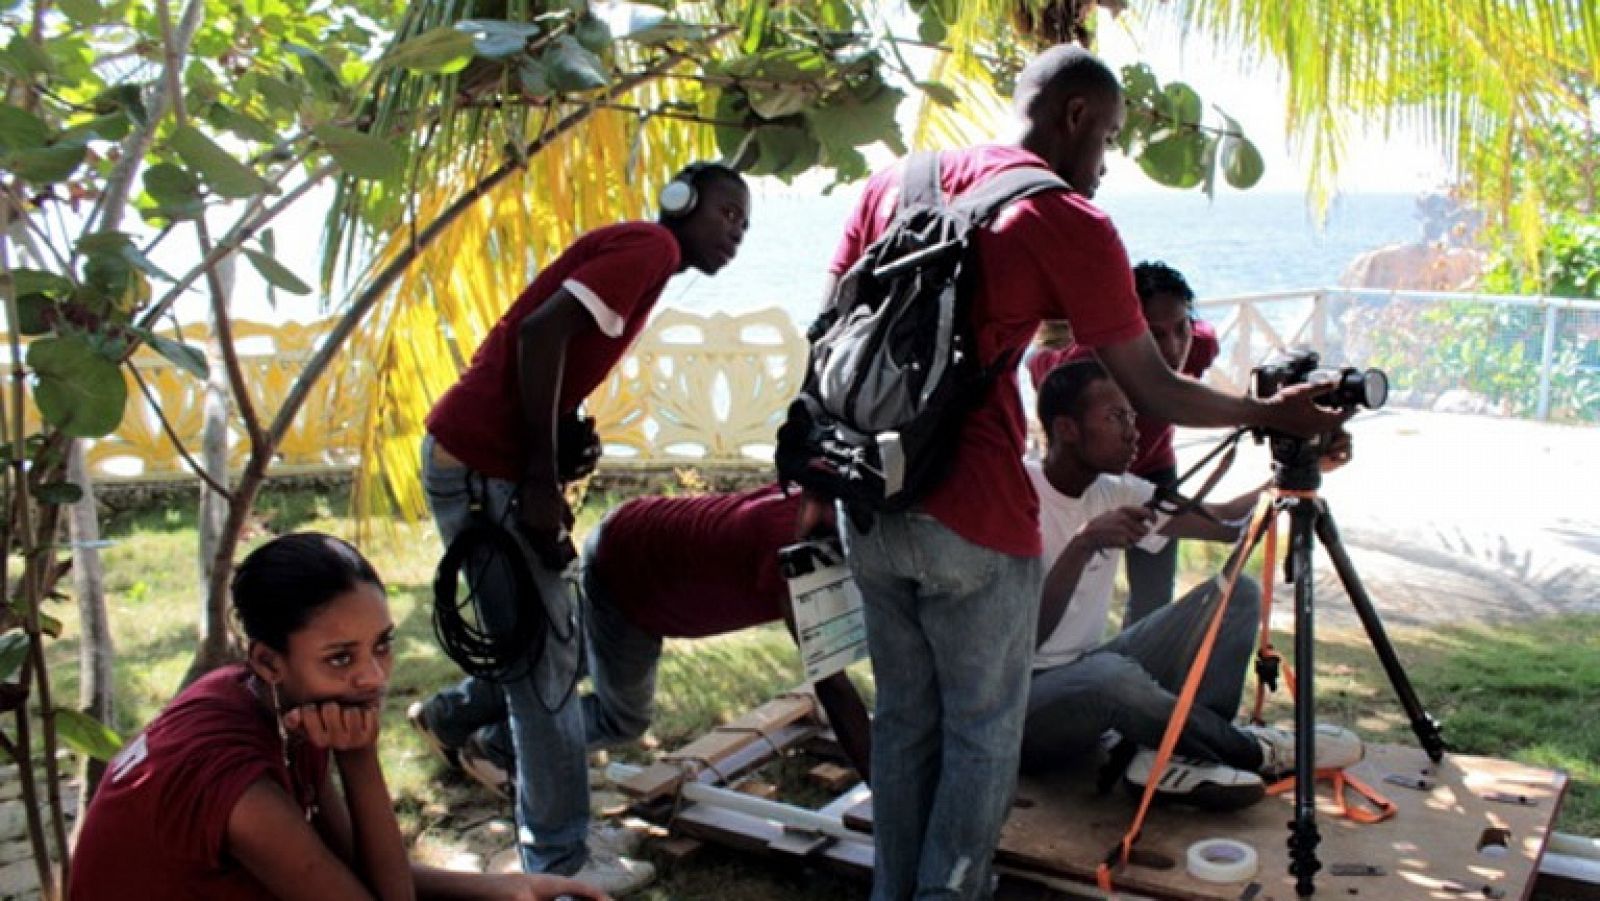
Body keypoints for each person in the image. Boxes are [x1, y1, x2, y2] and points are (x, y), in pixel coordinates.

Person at [807, 44, 1346, 900]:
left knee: (908, 721)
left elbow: (832, 329)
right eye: (1111, 139)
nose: (1106, 163)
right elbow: (1152, 385)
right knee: (985, 729)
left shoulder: (899, 183)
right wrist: (1266, 413)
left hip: (868, 499)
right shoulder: (1067, 219)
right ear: (1076, 116)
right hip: (975, 515)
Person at [418, 162, 750, 891]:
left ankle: (448, 717)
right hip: (487, 468)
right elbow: (541, 334)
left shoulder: (648, 260)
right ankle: (560, 859)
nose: (737, 235)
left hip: (483, 460)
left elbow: (552, 349)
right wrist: (538, 478)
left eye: (745, 226)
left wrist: (561, 435)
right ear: (681, 202)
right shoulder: (649, 247)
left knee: (544, 645)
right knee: (545, 670)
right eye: (727, 214)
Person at [70, 532, 607, 901]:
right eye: (340, 657)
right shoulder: (238, 788)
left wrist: (498, 889)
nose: (373, 677)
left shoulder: (279, 699)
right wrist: (359, 761)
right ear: (266, 659)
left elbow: (349, 860)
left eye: (382, 646)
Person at [409, 484, 873, 832]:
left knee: (567, 659)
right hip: (631, 577)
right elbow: (830, 682)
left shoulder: (829, 498)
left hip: (635, 535)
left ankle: (446, 715)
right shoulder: (795, 551)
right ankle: (496, 747)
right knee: (622, 717)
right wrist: (885, 788)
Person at [1020, 360, 1361, 809]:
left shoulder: (1118, 490)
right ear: (1066, 428)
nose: (1134, 432)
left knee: (1236, 594)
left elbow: (1225, 523)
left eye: (1132, 416)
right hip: (1024, 704)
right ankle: (1249, 750)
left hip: (1088, 669)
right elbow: (1023, 639)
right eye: (1116, 418)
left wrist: (1295, 472)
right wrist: (1083, 545)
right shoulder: (1020, 493)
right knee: (1110, 676)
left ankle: (1182, 758)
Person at [1026, 262, 1222, 625]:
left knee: (1154, 594)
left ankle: (1136, 663)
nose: (1172, 348)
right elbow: (1039, 365)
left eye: (1181, 330)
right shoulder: (1084, 361)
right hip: (1088, 476)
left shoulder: (1201, 345)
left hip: (1155, 470)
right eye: (1154, 335)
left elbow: (1197, 344)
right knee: (1062, 582)